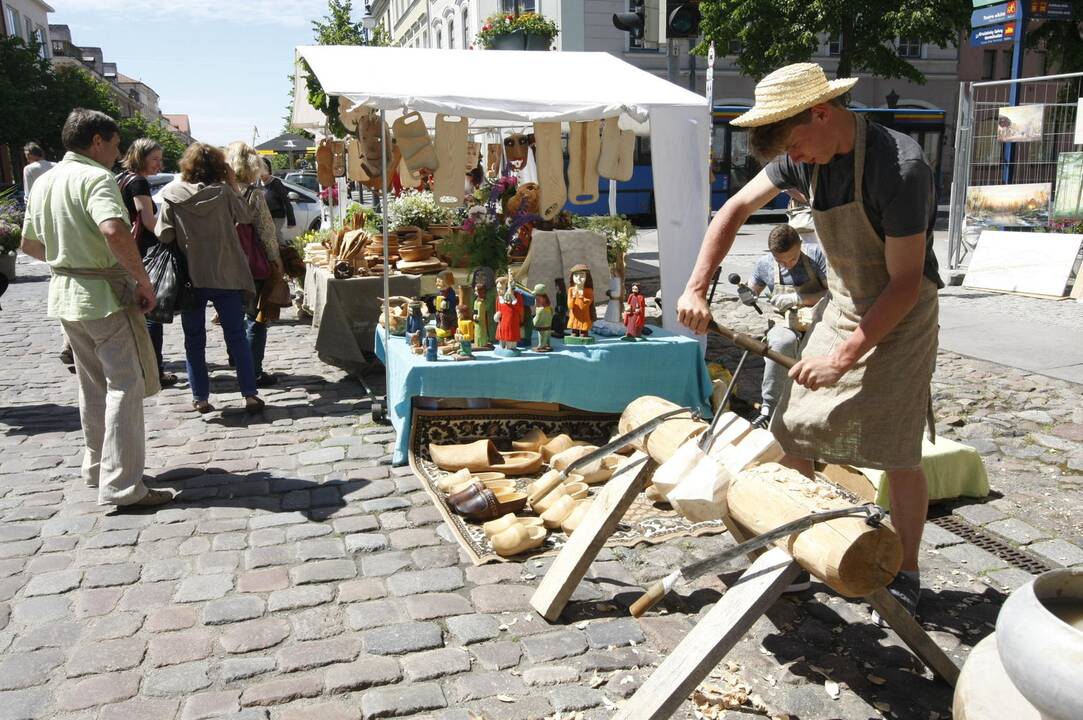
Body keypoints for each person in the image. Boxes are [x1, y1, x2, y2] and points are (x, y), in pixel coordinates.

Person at [676, 63, 942, 620]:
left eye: (801, 145)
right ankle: (800, 547)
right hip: (844, 303)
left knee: (897, 449)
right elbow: (733, 209)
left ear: (822, 112)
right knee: (793, 428)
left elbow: (904, 282)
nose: (800, 162)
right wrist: (697, 286)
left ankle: (909, 570)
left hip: (901, 313)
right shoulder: (799, 154)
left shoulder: (901, 168)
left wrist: (842, 358)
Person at [20, 108, 172, 509]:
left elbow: (30, 245)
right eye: (116, 144)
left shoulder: (45, 180)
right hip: (102, 293)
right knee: (125, 384)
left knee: (92, 386)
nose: (118, 153)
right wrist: (141, 280)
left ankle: (98, 466)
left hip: (67, 292)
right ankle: (123, 483)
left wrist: (69, 257)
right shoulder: (95, 177)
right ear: (97, 142)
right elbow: (113, 229)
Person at [156, 143, 265, 415]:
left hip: (192, 276)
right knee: (236, 336)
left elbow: (164, 234)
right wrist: (231, 183)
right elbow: (245, 216)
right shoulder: (225, 192)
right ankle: (250, 394)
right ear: (219, 166)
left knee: (193, 339)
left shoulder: (171, 193)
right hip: (226, 273)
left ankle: (200, 397)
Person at [748, 225, 828, 429]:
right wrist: (747, 295)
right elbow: (752, 289)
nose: (788, 264)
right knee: (783, 342)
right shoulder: (765, 264)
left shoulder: (816, 255)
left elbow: (834, 292)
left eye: (792, 259)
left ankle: (819, 408)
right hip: (785, 321)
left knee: (824, 346)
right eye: (780, 261)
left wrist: (798, 298)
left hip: (818, 318)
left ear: (800, 245)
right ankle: (770, 408)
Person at [117, 138, 178, 388]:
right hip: (145, 252)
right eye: (155, 159)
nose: (159, 164)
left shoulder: (121, 178)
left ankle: (145, 366)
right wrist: (170, 234)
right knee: (151, 313)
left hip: (130, 250)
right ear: (140, 156)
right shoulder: (138, 181)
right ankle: (155, 369)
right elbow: (147, 219)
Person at [226, 142, 282, 388]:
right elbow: (266, 232)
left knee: (232, 316)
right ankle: (253, 371)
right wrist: (276, 261)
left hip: (225, 264)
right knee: (256, 317)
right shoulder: (252, 194)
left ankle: (237, 360)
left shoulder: (220, 191)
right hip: (251, 265)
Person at [259, 157, 296, 243]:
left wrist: (291, 221)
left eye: (262, 172)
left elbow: (286, 201)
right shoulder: (257, 183)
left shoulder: (276, 183)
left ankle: (283, 252)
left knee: (275, 234)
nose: (260, 175)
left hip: (277, 216)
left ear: (268, 170)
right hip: (265, 217)